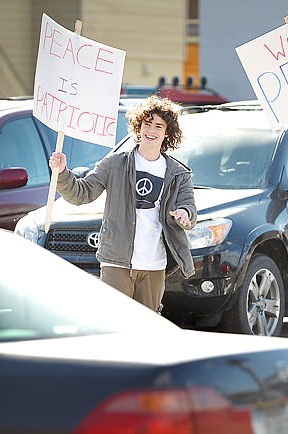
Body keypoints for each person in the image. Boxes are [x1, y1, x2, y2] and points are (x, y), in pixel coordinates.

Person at [49, 95, 196, 312]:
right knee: (114, 323)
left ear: (167, 133)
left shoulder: (178, 173)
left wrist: (184, 213)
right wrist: (62, 173)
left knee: (148, 327)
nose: (151, 130)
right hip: (116, 262)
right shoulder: (114, 164)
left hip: (154, 265)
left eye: (158, 126)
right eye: (147, 124)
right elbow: (81, 194)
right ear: (139, 126)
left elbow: (189, 208)